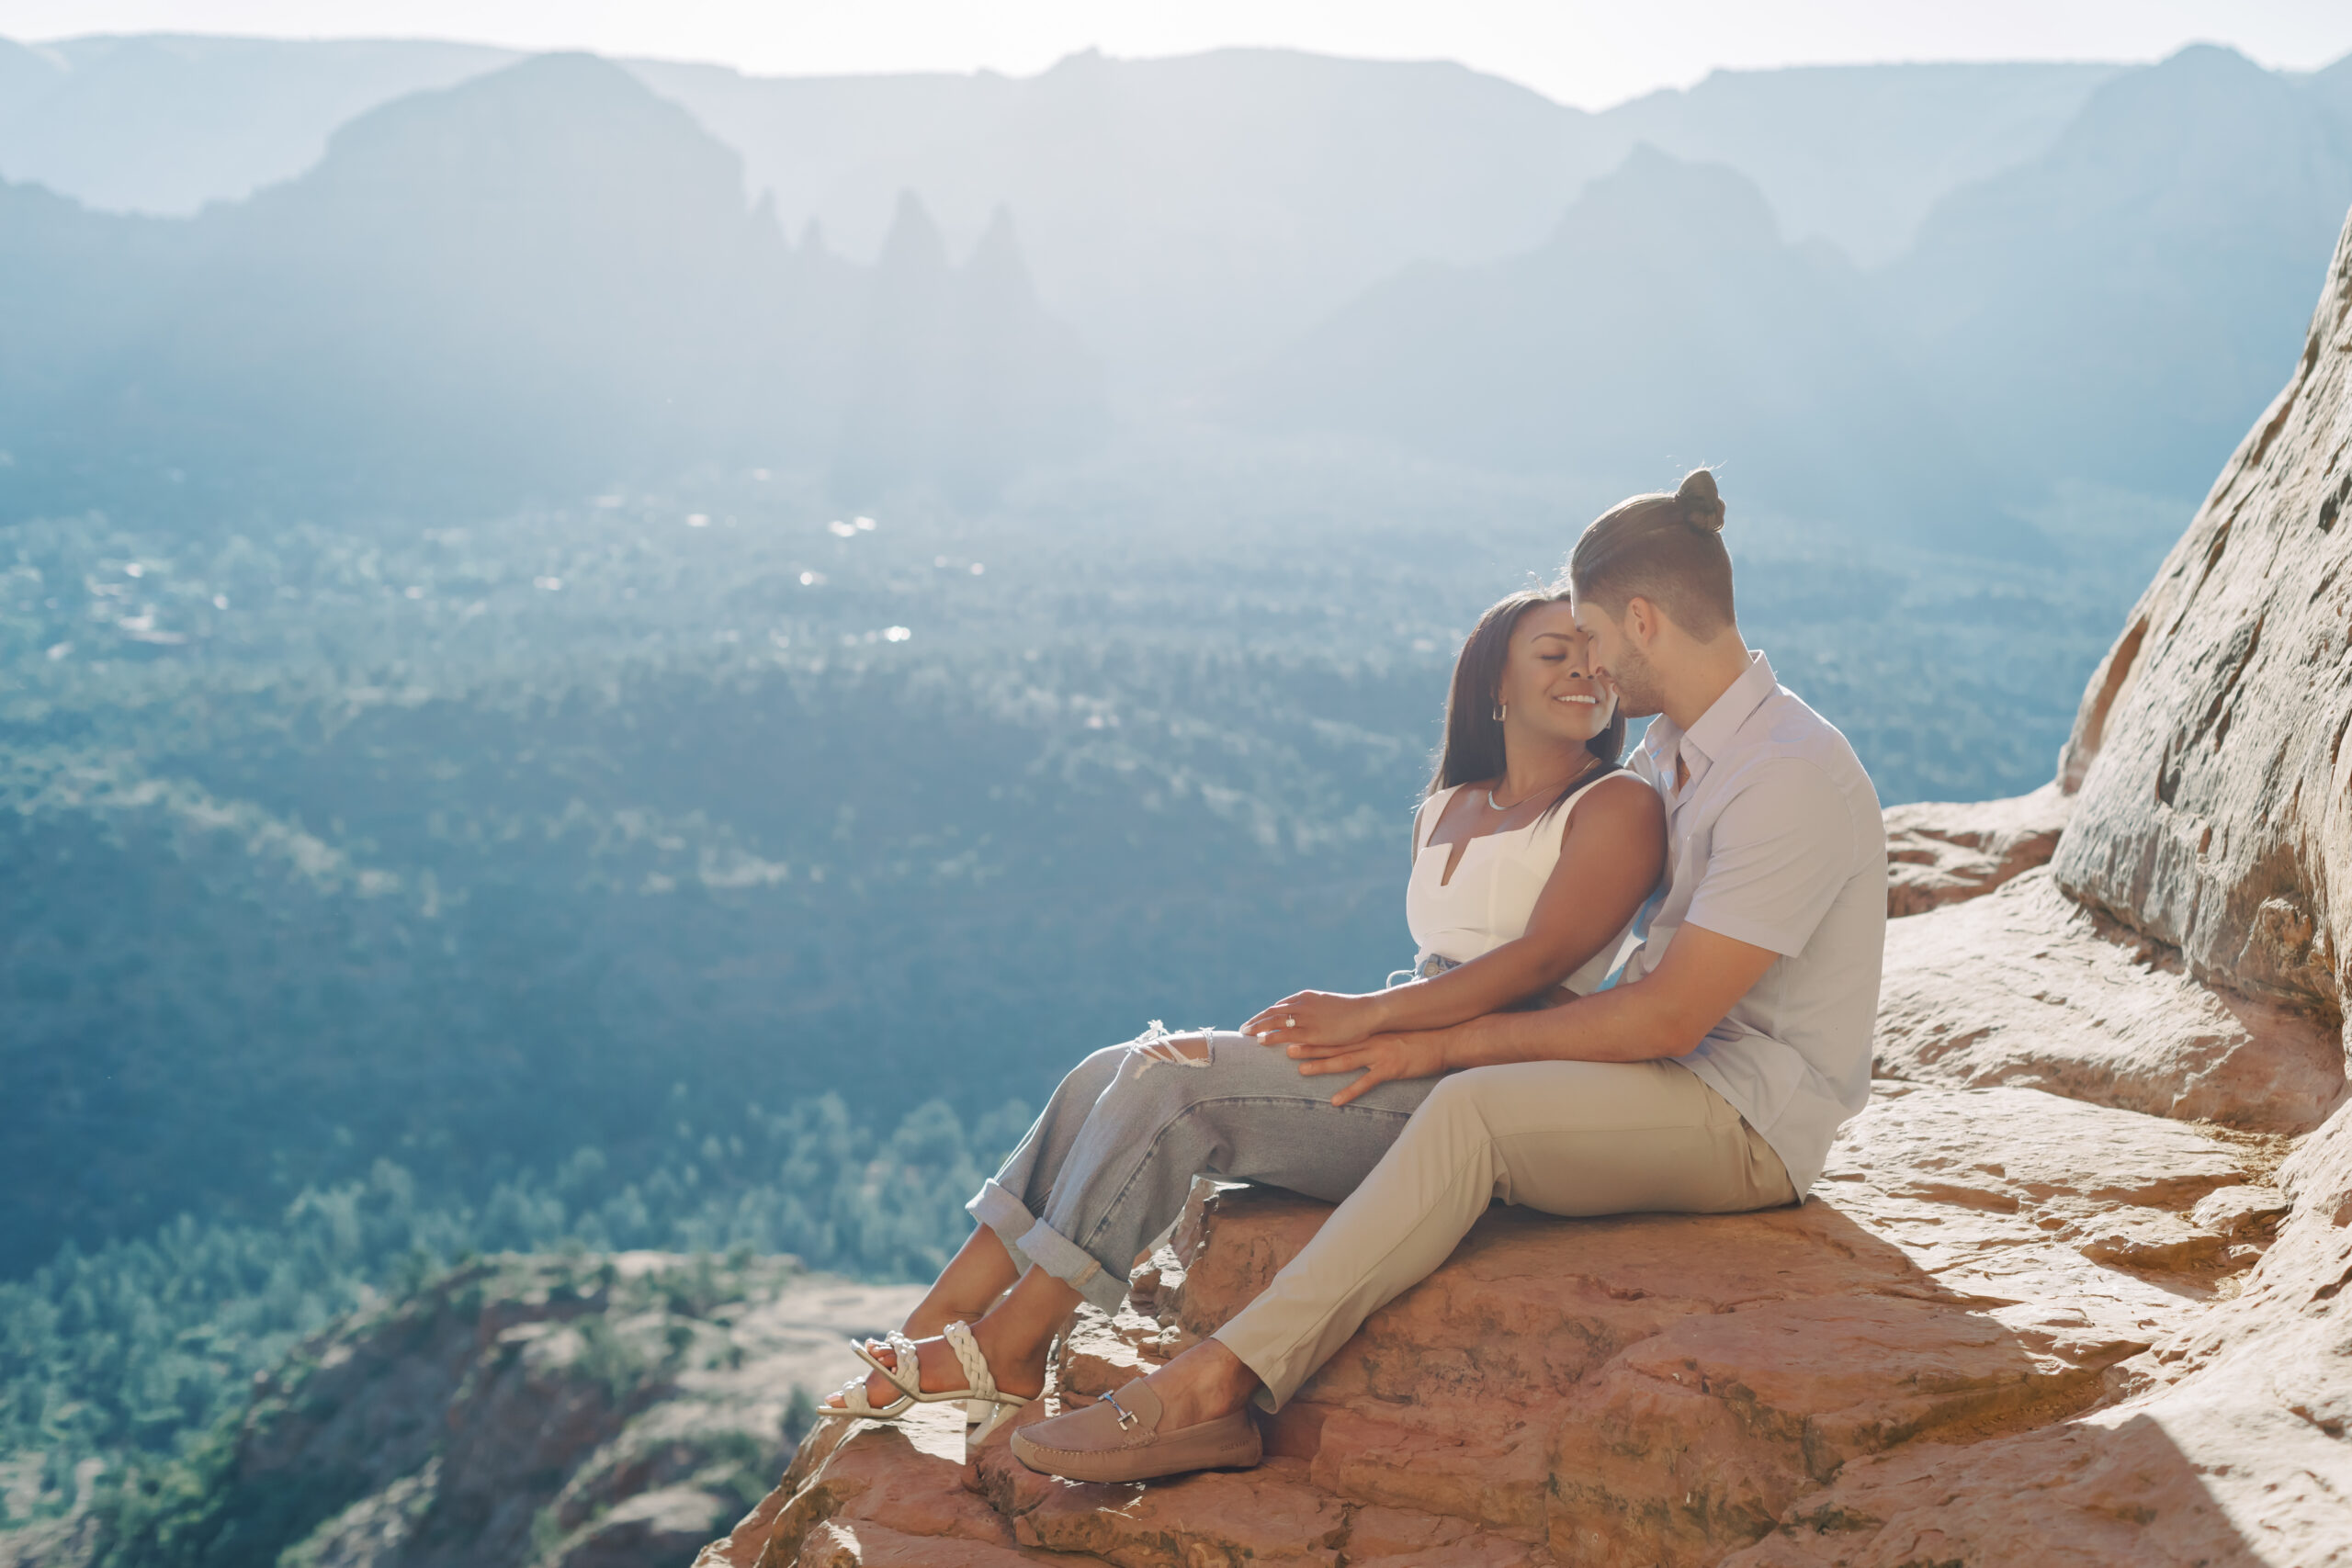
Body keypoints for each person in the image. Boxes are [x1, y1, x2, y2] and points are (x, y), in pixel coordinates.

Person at [1010, 468, 1887, 1483]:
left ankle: (1218, 1388)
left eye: (1592, 639)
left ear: (1640, 620)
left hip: (1748, 1119)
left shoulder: (1786, 773)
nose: (1589, 669)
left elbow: (1670, 1018)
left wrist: (1432, 1041)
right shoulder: (1674, 754)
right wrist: (1416, 1013)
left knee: (1470, 1110)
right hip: (1673, 1076)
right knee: (1418, 1083)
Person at [822, 589, 1666, 1441]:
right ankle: (936, 1319)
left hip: (1484, 1085)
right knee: (1110, 1068)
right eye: (1554, 653)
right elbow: (1441, 961)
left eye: (1592, 654)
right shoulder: (1449, 805)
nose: (1584, 672)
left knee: (1175, 1090)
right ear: (1496, 685)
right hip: (1406, 1039)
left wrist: (1365, 1017)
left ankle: (1012, 1345)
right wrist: (1334, 1030)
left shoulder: (1615, 805)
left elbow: (1539, 961)